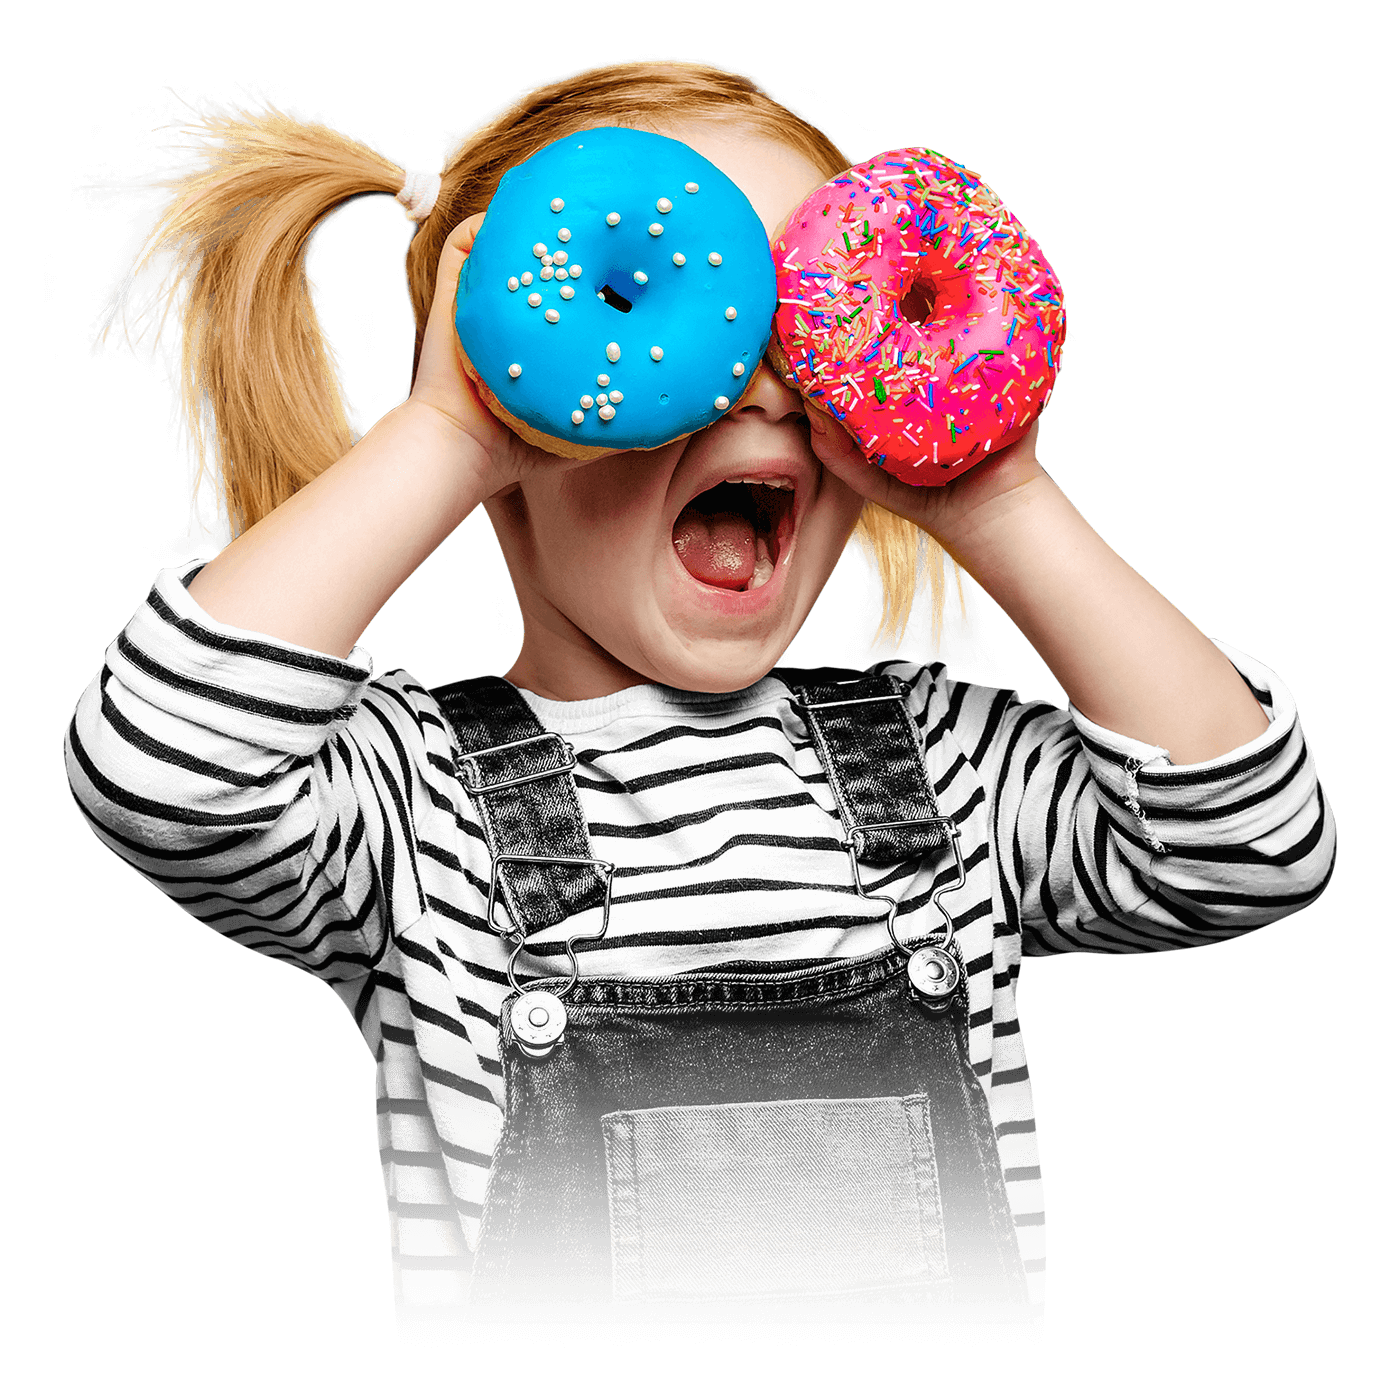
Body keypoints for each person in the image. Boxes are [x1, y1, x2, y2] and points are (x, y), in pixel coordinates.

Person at [63, 60, 1336, 1341]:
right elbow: (163, 770)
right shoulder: (409, 807)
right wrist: (446, 435)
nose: (768, 385)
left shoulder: (947, 771)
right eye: (677, 311)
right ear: (510, 373)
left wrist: (997, 501)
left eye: (808, 326)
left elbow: (1250, 844)